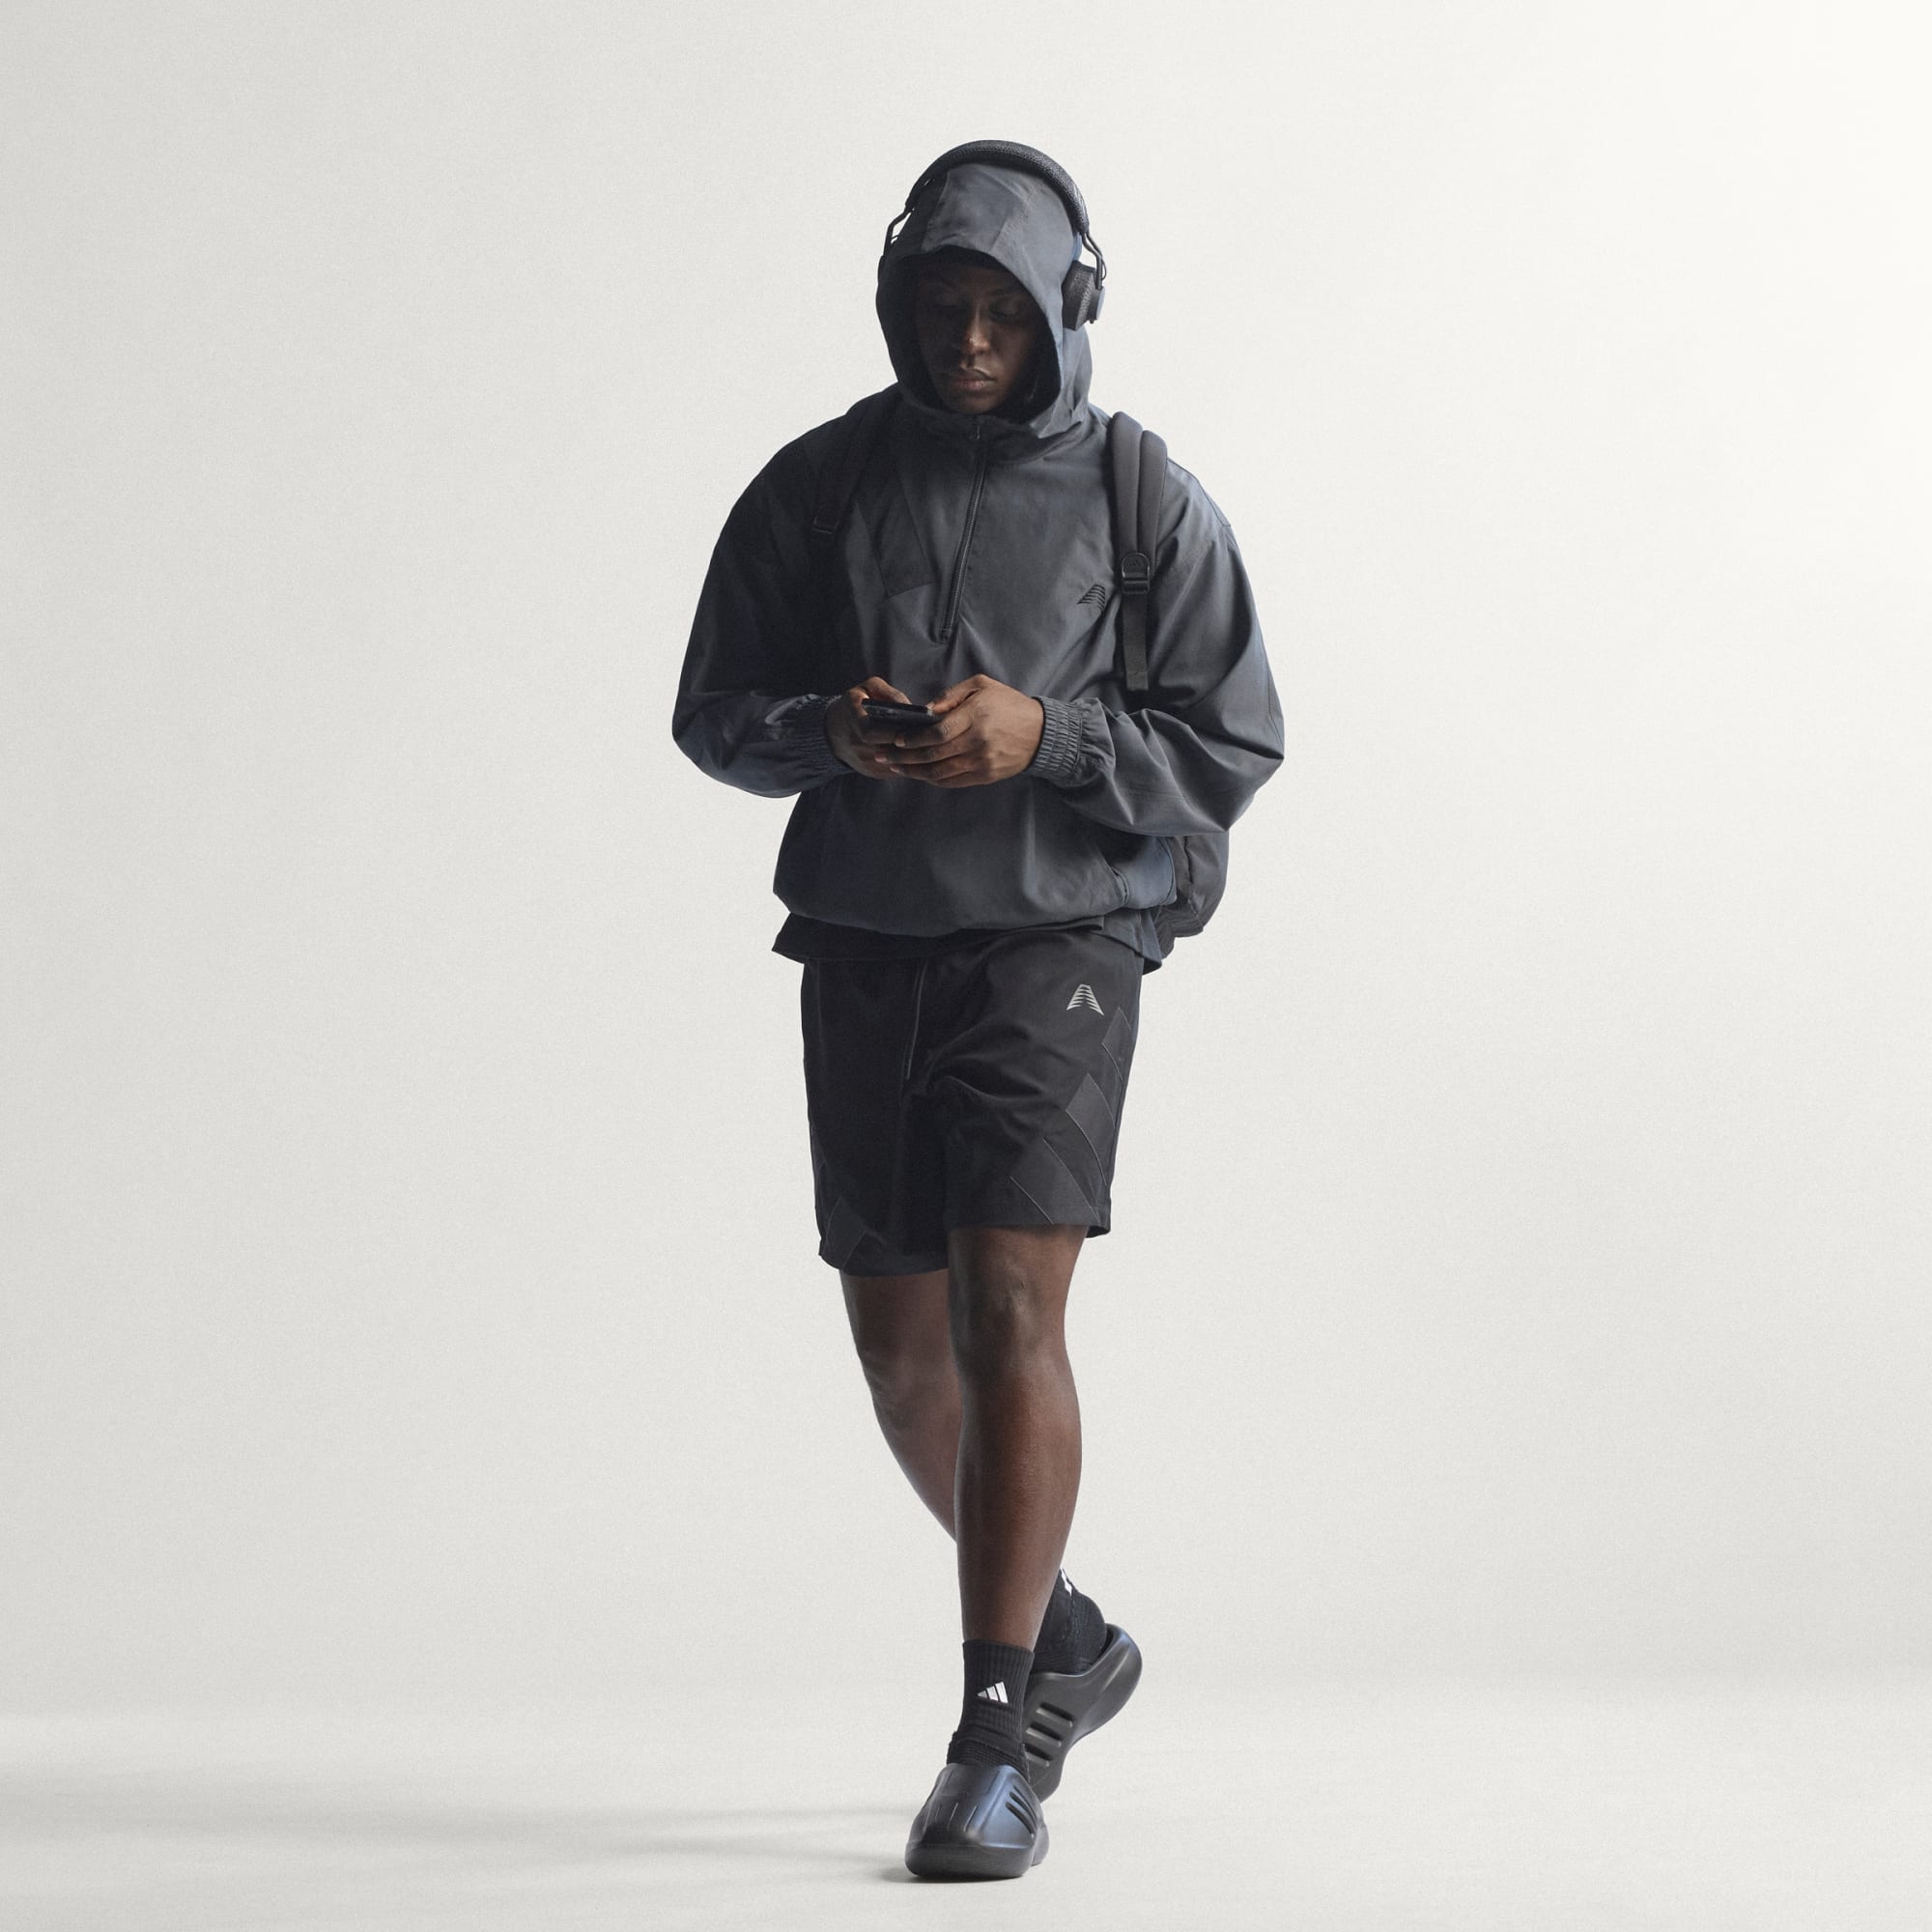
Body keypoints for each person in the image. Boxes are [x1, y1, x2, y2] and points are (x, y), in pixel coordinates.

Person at [672, 141, 1283, 1880]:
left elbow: (1233, 743)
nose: (967, 341)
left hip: (1058, 945)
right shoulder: (817, 487)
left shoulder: (1145, 500)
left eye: (1000, 310)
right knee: (901, 1355)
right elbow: (713, 714)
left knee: (1013, 1308)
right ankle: (1066, 1635)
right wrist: (826, 732)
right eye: (938, 307)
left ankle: (994, 1741)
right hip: (867, 937)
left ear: (1067, 307)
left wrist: (1052, 735)